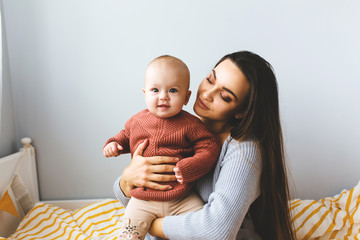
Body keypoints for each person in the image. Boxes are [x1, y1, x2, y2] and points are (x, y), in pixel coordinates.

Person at [113, 51, 296, 240]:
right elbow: (134, 199)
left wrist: (146, 225)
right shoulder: (184, 125)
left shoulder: (243, 151)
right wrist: (127, 180)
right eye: (210, 79)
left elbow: (216, 231)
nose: (207, 94)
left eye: (224, 96)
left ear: (241, 111)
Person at [103, 55, 221, 239]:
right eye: (155, 90)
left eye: (173, 90)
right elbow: (125, 135)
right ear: (145, 93)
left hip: (182, 198)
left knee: (204, 229)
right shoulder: (137, 121)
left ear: (186, 97)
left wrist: (190, 166)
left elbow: (210, 147)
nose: (163, 97)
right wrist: (114, 144)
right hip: (143, 199)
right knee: (129, 233)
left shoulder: (191, 124)